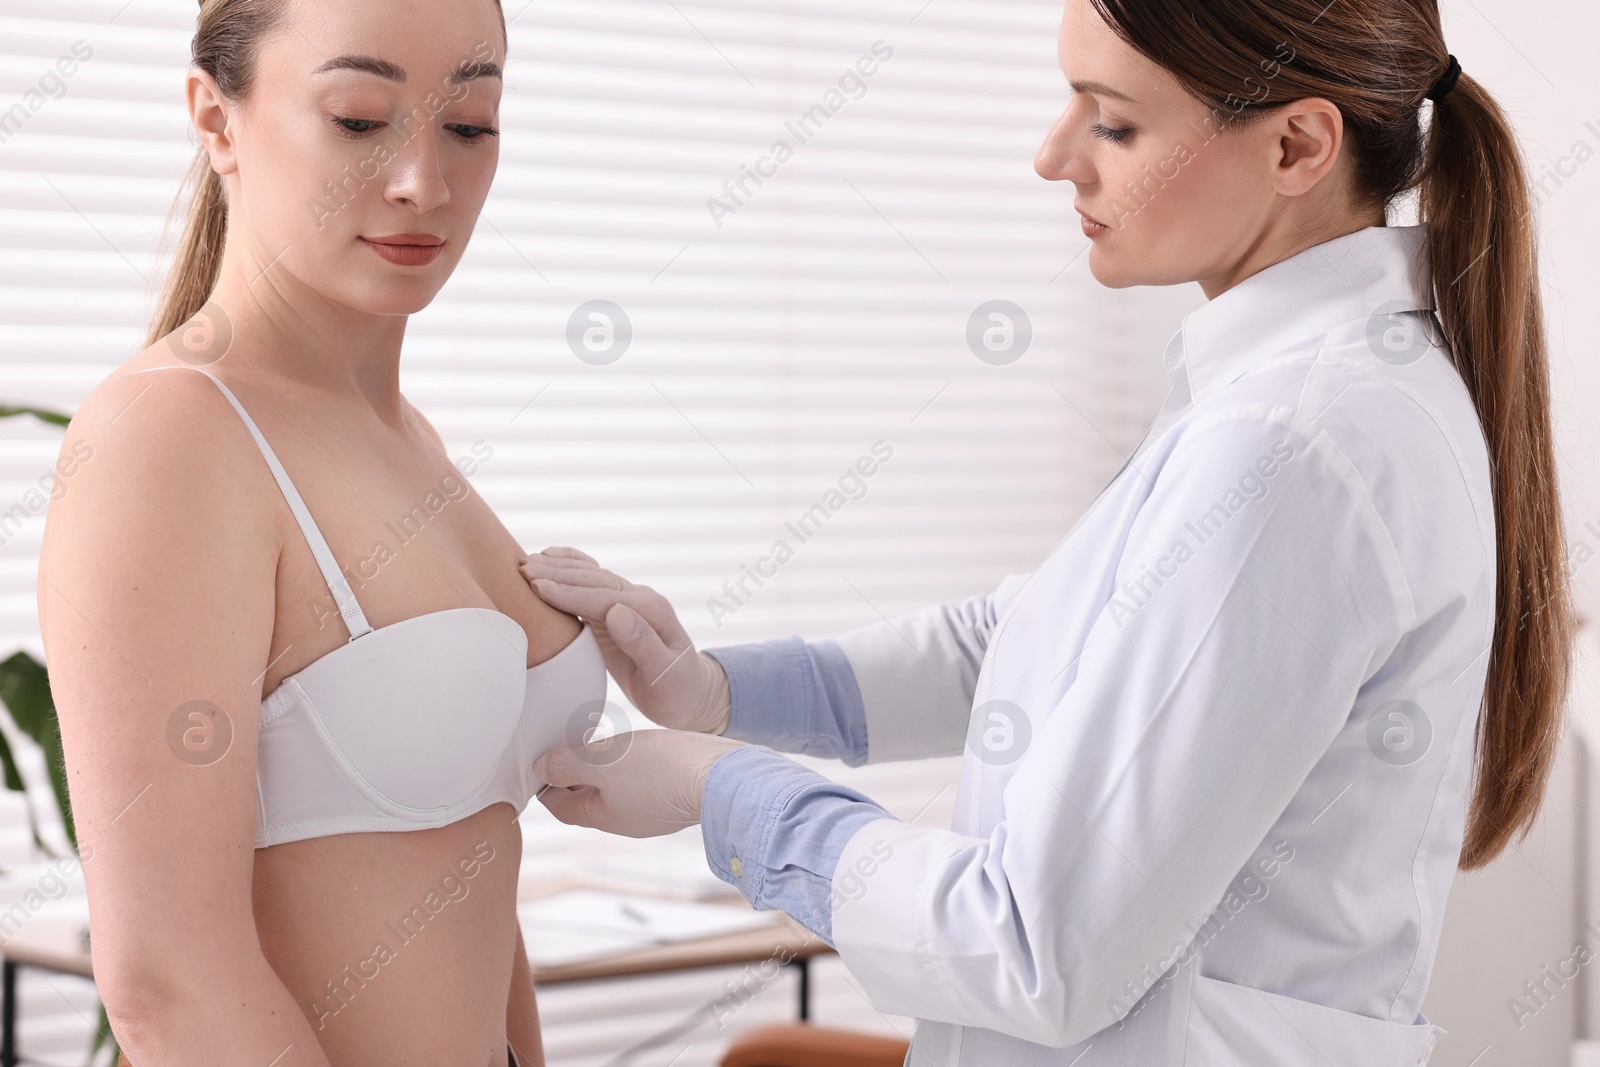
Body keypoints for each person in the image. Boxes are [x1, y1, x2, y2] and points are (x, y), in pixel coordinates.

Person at [521, 0, 1573, 1062]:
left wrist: (721, 790)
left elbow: (1032, 944)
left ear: (1296, 145)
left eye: (1112, 123)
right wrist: (719, 690)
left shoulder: (1293, 443)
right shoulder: (1282, 400)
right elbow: (1029, 634)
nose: (1051, 156)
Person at [36, 1, 598, 1064]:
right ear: (215, 118)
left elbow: (472, 878)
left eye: (470, 124)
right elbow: (164, 975)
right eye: (356, 118)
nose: (424, 182)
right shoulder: (170, 434)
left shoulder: (406, 437)